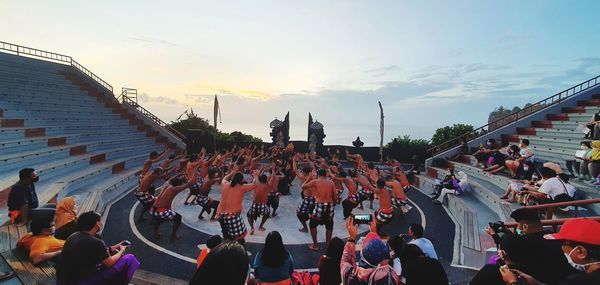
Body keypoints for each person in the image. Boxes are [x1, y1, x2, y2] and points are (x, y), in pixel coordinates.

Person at [479, 208, 577, 285]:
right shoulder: (554, 237)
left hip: (534, 279)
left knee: (490, 270)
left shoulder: (518, 242)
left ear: (525, 227)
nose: (516, 228)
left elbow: (506, 244)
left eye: (517, 225)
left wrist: (494, 234)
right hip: (557, 278)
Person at [499, 218, 600, 285]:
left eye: (563, 243)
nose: (561, 248)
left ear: (581, 252)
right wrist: (536, 283)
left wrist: (512, 282)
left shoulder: (577, 281)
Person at [57, 211, 140, 285]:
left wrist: (113, 248)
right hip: (80, 281)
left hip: (63, 280)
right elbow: (109, 263)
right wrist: (121, 250)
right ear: (97, 223)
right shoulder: (96, 242)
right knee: (130, 258)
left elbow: (97, 252)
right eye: (100, 221)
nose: (101, 223)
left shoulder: (74, 236)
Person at [341, 217, 400, 284]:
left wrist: (352, 237)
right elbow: (385, 264)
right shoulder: (390, 278)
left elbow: (346, 258)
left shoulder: (348, 275)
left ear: (361, 253)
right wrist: (374, 233)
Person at [215, 167, 258, 241]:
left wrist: (232, 173)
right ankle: (236, 249)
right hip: (232, 216)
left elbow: (224, 178)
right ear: (241, 180)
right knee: (239, 238)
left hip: (220, 215)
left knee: (226, 234)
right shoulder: (242, 187)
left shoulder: (225, 184)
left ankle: (227, 246)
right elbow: (255, 184)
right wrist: (256, 176)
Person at [152, 173, 197, 242]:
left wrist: (178, 175)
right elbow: (188, 184)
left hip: (154, 209)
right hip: (161, 211)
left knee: (158, 220)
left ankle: (156, 233)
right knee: (178, 218)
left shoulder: (166, 185)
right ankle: (173, 236)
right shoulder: (174, 189)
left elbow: (170, 179)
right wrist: (195, 173)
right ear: (178, 185)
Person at [302, 169, 337, 251]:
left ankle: (315, 245)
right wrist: (333, 204)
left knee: (312, 224)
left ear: (318, 175)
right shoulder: (331, 182)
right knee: (329, 224)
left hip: (320, 205)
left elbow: (303, 187)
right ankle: (328, 246)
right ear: (326, 175)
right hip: (329, 204)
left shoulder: (315, 181)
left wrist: (309, 177)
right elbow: (335, 197)